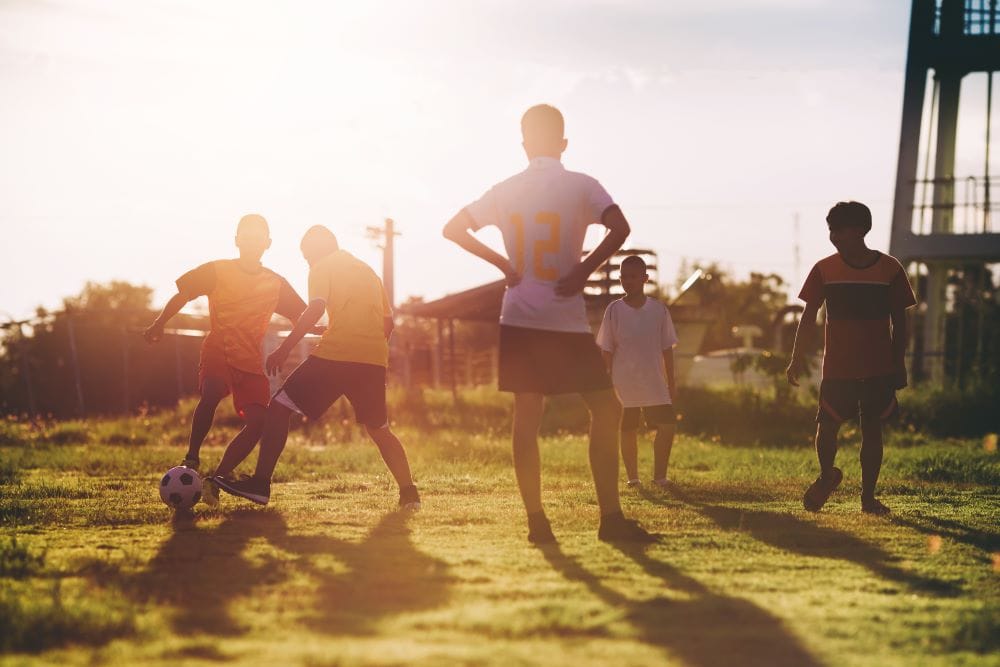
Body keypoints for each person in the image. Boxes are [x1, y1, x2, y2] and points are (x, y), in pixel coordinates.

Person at [442, 104, 654, 543]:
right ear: (563, 143)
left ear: (523, 144)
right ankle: (610, 519)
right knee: (607, 408)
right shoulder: (581, 185)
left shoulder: (504, 190)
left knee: (527, 415)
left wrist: (502, 262)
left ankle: (537, 522)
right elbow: (621, 228)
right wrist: (585, 270)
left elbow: (453, 229)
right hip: (564, 320)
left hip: (518, 316)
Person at [213, 225, 420, 510]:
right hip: (371, 360)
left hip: (335, 355)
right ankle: (409, 494)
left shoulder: (322, 266)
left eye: (306, 256)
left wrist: (284, 349)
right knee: (379, 429)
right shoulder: (366, 271)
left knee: (279, 406)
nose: (307, 262)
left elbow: (314, 308)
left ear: (314, 250)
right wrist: (368, 350)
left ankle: (260, 484)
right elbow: (388, 323)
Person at [144, 214, 307, 495]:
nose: (252, 242)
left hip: (251, 359)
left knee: (260, 422)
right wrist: (160, 322)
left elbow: (302, 316)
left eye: (258, 238)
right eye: (246, 237)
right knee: (212, 392)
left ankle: (216, 480)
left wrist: (306, 337)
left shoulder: (276, 283)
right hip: (219, 347)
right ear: (236, 241)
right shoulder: (217, 271)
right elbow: (183, 294)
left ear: (267, 244)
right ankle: (192, 457)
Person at [786, 201, 916, 515]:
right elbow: (807, 317)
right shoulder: (824, 269)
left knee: (872, 429)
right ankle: (826, 475)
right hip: (837, 368)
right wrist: (796, 357)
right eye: (830, 230)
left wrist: (899, 363)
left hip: (877, 367)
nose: (833, 236)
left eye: (838, 230)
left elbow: (901, 321)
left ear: (859, 230)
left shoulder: (890, 269)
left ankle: (868, 498)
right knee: (826, 426)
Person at [596, 255, 679, 489]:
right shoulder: (614, 310)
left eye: (633, 277)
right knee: (628, 428)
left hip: (654, 382)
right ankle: (633, 478)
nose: (627, 281)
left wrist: (672, 383)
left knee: (667, 426)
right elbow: (607, 349)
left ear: (645, 278)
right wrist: (605, 384)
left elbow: (667, 349)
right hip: (624, 383)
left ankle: (660, 477)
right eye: (623, 277)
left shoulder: (659, 310)